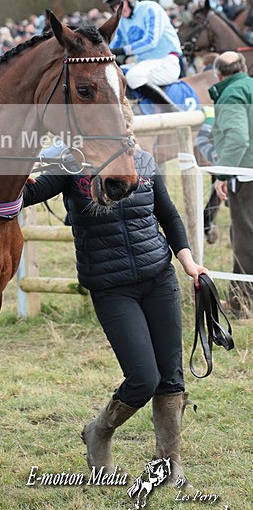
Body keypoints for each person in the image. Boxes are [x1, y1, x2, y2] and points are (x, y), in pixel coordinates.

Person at [23, 147, 207, 484]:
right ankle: (99, 432)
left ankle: (169, 462)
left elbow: (168, 215)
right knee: (143, 378)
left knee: (171, 377)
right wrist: (15, 169)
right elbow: (26, 195)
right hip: (111, 287)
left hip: (159, 278)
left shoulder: (144, 161)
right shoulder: (72, 165)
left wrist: (189, 263)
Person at [209, 51, 253, 318]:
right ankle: (239, 298)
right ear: (243, 68)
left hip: (246, 175)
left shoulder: (231, 94)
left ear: (218, 75)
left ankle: (243, 303)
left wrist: (223, 175)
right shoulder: (248, 86)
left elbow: (238, 139)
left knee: (244, 237)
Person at [103, 0, 183, 108]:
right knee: (113, 74)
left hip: (167, 60)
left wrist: (123, 51)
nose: (118, 9)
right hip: (144, 63)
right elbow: (114, 45)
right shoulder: (122, 21)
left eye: (120, 4)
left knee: (133, 77)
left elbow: (151, 41)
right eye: (114, 6)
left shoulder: (151, 8)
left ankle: (172, 110)